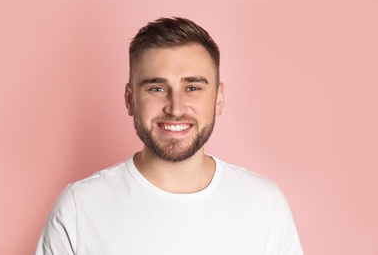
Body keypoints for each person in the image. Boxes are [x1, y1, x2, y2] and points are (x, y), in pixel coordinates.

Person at [36, 17, 303, 254]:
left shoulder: (265, 205)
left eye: (193, 87)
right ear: (130, 99)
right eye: (157, 88)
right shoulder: (79, 209)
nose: (175, 108)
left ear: (219, 98)